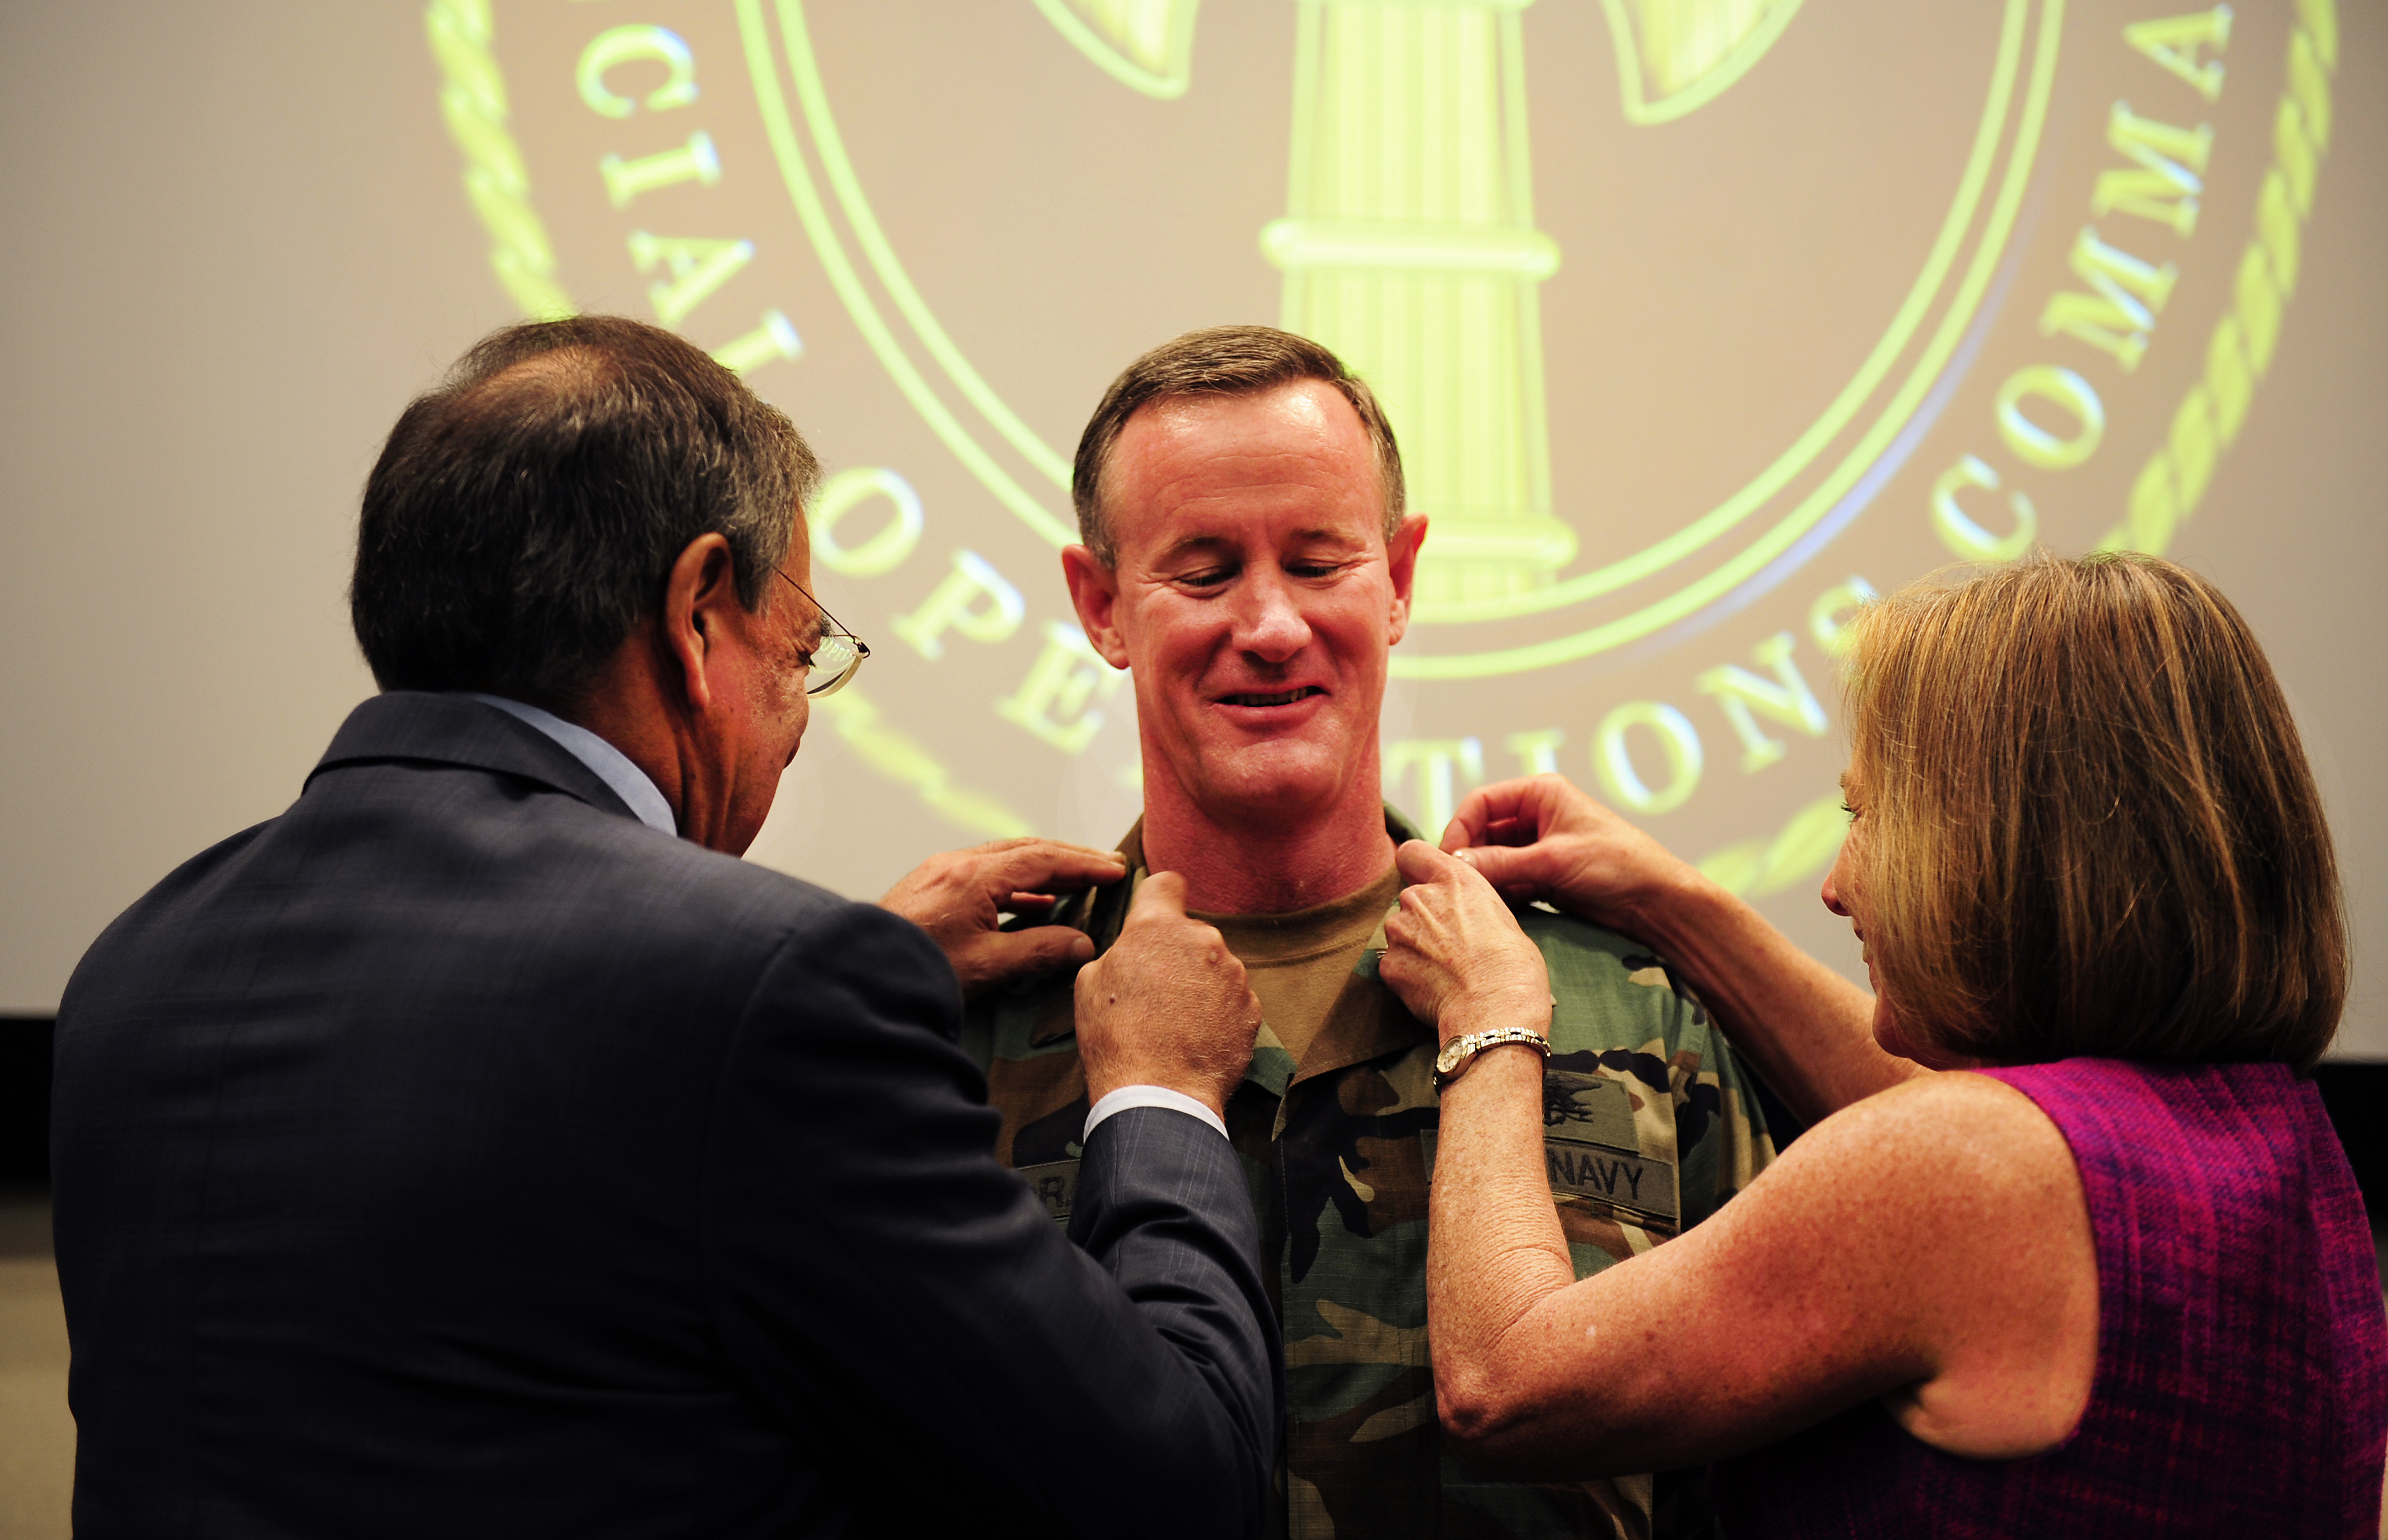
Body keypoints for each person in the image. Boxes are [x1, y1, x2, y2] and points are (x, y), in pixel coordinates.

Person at [50, 316, 1280, 1539]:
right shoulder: (762, 994)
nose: (798, 717)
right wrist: (1160, 1093)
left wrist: (839, 972)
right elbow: (1172, 1492)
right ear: (697, 615)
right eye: (800, 650)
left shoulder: (139, 963)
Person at [1383, 553, 2387, 1537]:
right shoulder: (2269, 1135)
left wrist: (1490, 1013)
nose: (1836, 881)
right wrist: (1672, 900)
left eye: (1865, 814)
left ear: (2005, 843)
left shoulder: (1970, 1173)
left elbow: (1506, 1380)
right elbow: (1943, 1123)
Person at [963, 326, 1776, 1539]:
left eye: (1317, 559)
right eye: (1201, 569)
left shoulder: (1631, 1006)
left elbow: (1765, 1470)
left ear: (1398, 578)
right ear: (1099, 604)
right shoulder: (971, 1024)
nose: (1272, 623)